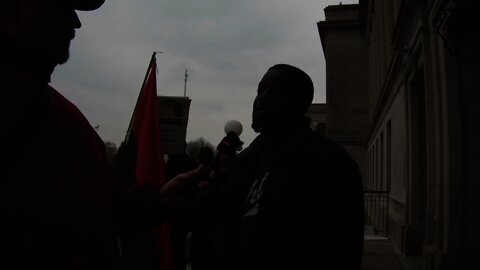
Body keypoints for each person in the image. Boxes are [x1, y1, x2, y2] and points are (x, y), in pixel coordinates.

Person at [0, 1, 204, 269]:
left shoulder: (65, 116)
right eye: (62, 6)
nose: (76, 22)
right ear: (13, 8)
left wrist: (159, 199)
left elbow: (93, 214)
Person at [201, 64, 365, 269]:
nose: (262, 98)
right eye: (260, 90)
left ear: (300, 103)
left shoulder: (332, 165)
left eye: (276, 91)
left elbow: (342, 251)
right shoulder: (243, 162)